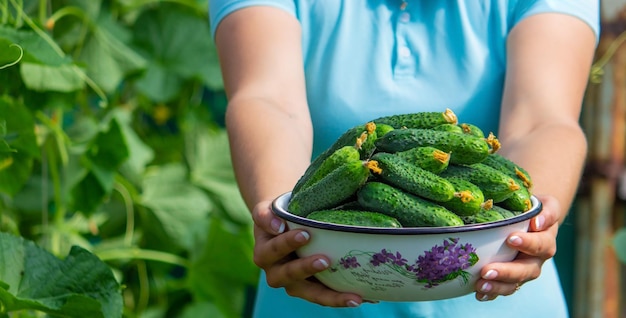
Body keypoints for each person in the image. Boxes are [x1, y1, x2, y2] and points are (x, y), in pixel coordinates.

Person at [209, 1, 599, 317]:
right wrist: (285, 218)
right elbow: (268, 100)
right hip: (315, 274)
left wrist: (532, 222)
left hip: (500, 286)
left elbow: (543, 119)